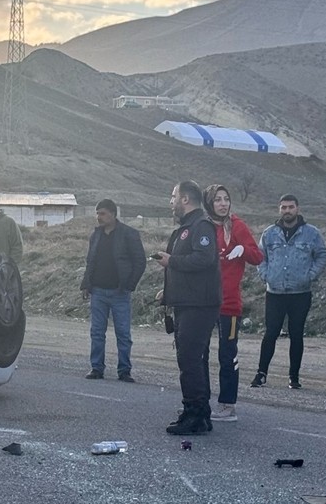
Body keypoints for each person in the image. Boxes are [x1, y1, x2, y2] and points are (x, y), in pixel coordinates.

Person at [156, 180, 221, 435]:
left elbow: (203, 258)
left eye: (173, 196)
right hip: (186, 301)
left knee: (190, 360)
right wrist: (169, 291)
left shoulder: (200, 225)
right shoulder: (187, 227)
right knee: (194, 360)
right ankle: (200, 412)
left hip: (199, 305)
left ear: (185, 199)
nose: (171, 202)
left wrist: (172, 261)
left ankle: (194, 413)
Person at [250, 194, 326, 390]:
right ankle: (261, 373)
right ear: (279, 210)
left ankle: (294, 376)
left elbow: (322, 256)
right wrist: (266, 275)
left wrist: (310, 275)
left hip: (300, 293)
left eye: (290, 207)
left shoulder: (311, 233)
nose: (287, 211)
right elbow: (261, 257)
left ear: (297, 209)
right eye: (283, 207)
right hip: (275, 292)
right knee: (271, 333)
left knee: (296, 334)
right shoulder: (269, 233)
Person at [202, 184, 262, 422]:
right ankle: (200, 401)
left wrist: (242, 249)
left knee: (227, 355)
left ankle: (228, 404)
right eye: (217, 200)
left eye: (226, 199)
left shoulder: (237, 226)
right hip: (204, 302)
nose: (223, 204)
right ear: (210, 203)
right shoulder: (204, 227)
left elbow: (257, 256)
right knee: (200, 354)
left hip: (228, 304)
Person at [79, 199, 146, 382]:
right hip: (98, 292)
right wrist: (86, 284)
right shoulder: (96, 235)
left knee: (123, 334)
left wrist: (129, 285)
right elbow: (90, 261)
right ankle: (96, 368)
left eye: (102, 213)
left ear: (113, 214)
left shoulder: (128, 234)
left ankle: (124, 370)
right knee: (97, 332)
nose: (98, 217)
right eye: (97, 213)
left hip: (119, 293)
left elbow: (140, 261)